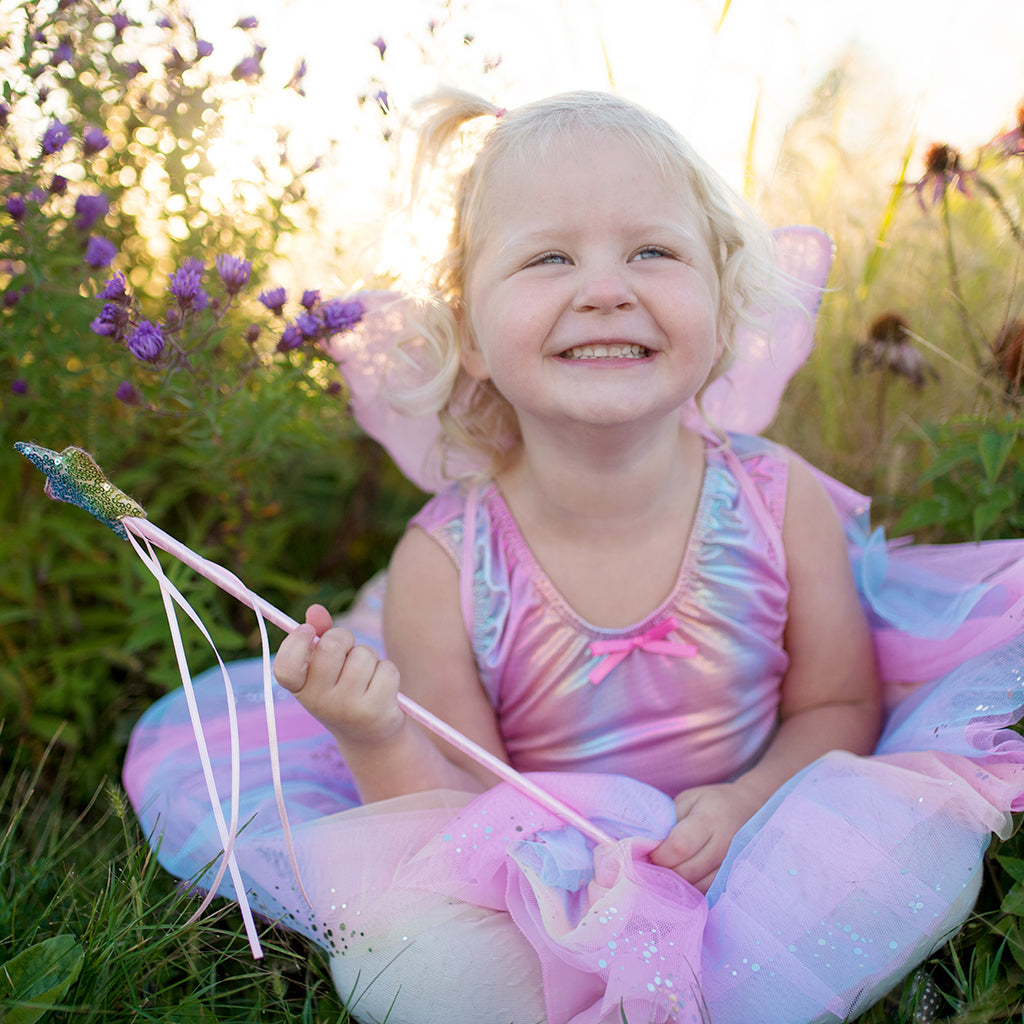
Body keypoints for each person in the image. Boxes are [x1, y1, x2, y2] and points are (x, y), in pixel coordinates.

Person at [124, 89, 1024, 1024]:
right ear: (469, 334)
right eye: (550, 257)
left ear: (721, 305)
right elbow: (450, 818)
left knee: (911, 859)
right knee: (409, 964)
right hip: (544, 885)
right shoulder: (445, 563)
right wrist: (374, 733)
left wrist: (751, 799)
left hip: (760, 840)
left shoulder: (775, 497)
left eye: (654, 252)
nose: (606, 287)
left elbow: (841, 704)